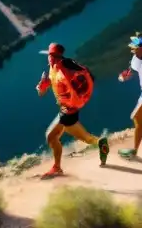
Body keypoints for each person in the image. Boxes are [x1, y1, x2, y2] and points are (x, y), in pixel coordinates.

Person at [36, 43, 109, 177]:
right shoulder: (54, 68)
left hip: (68, 111)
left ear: (55, 56)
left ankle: (57, 167)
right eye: (49, 56)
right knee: (74, 137)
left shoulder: (64, 71)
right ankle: (100, 143)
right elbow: (51, 86)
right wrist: (43, 86)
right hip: (66, 110)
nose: (49, 58)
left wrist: (71, 107)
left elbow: (73, 91)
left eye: (50, 55)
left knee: (52, 136)